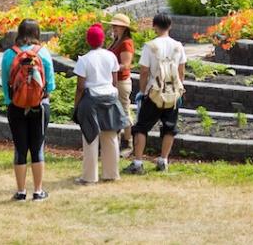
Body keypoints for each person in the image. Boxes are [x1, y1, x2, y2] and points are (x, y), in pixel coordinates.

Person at [125, 13, 186, 175]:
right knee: (169, 127)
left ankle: (138, 162)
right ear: (170, 26)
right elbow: (181, 71)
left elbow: (144, 71)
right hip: (173, 92)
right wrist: (179, 88)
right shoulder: (178, 46)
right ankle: (163, 160)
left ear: (155, 26)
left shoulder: (150, 46)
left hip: (154, 91)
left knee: (141, 127)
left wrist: (143, 91)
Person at [1, 19, 55, 201]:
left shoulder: (9, 54)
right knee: (37, 147)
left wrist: (13, 101)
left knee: (20, 148)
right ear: (37, 33)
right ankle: (38, 191)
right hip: (39, 106)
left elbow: (4, 84)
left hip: (16, 106)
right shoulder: (43, 53)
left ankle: (21, 191)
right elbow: (51, 86)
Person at [74, 24, 129, 184]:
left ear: (88, 41)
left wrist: (77, 106)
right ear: (103, 40)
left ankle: (89, 176)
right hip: (110, 97)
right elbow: (114, 80)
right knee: (110, 136)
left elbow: (80, 87)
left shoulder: (84, 60)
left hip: (91, 99)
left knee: (90, 137)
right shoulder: (111, 56)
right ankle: (111, 173)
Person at [106, 13, 135, 149]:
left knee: (124, 110)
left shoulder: (126, 43)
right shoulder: (116, 40)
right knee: (116, 111)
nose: (114, 28)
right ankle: (117, 141)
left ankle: (127, 141)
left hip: (122, 82)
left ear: (124, 28)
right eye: (113, 25)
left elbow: (126, 65)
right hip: (114, 81)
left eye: (117, 26)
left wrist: (109, 67)